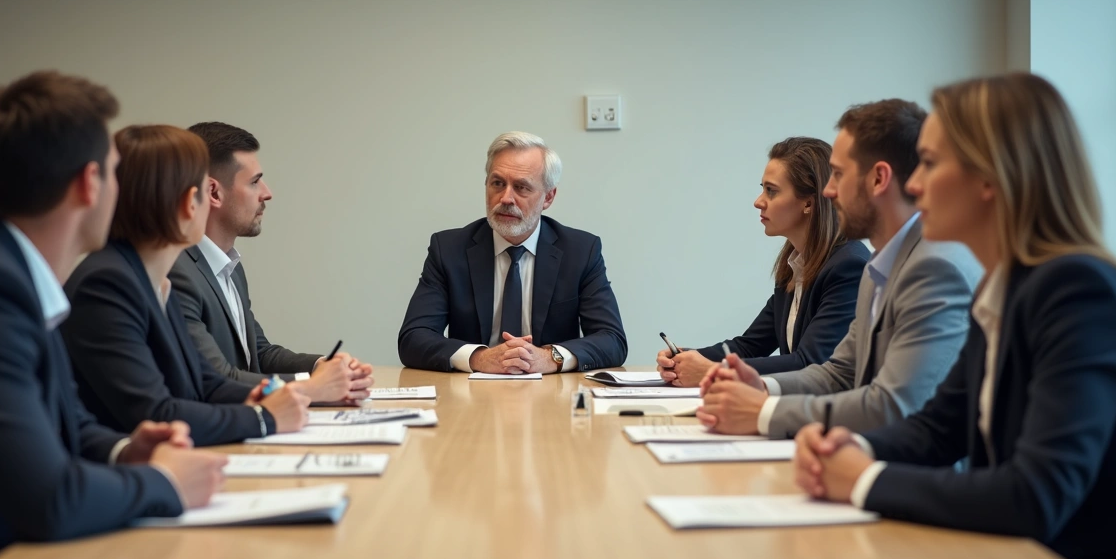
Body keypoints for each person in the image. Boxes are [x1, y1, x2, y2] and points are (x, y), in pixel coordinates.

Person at [793, 73, 1116, 559]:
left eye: (929, 162)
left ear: (991, 177)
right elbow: (936, 428)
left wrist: (864, 478)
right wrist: (848, 445)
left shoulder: (1077, 289)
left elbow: (1037, 493)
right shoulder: (1003, 289)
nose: (915, 184)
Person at [0, 72, 225, 559]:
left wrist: (129, 450)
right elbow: (49, 499)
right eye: (117, 173)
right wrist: (166, 481)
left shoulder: (8, 273)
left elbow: (67, 423)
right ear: (88, 183)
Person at [697, 99, 981, 438]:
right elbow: (838, 374)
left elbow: (892, 406)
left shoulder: (934, 268)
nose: (828, 192)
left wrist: (765, 411)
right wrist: (761, 385)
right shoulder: (880, 266)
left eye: (839, 175)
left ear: (878, 179)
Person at [63, 125, 349, 447]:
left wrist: (274, 395)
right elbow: (155, 411)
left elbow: (208, 383)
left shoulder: (153, 279)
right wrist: (266, 416)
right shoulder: (108, 283)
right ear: (191, 202)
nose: (266, 192)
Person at [398, 131, 627, 374]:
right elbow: (413, 338)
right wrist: (479, 357)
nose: (506, 198)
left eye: (521, 187)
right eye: (497, 183)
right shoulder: (449, 249)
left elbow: (612, 340)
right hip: (471, 396)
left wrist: (550, 357)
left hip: (551, 394)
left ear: (548, 197)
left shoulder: (580, 251)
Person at [169, 122, 373, 392]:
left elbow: (259, 355)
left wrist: (322, 366)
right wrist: (314, 386)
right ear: (214, 193)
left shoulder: (229, 267)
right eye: (254, 182)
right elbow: (217, 377)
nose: (267, 192)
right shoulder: (177, 272)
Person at [657, 137, 869, 385]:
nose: (759, 201)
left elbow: (811, 362)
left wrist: (712, 371)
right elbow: (750, 346)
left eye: (772, 191)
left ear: (809, 203)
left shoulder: (848, 266)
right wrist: (686, 357)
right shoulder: (794, 267)